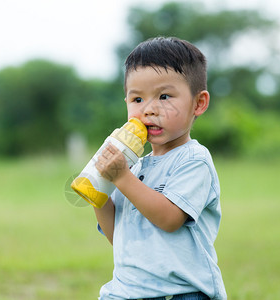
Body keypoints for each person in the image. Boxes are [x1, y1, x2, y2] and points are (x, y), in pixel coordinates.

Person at [93, 37, 227, 300]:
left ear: (198, 103)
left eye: (164, 96)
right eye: (137, 99)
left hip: (182, 292)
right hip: (128, 291)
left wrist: (121, 177)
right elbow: (116, 235)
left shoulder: (193, 160)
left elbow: (169, 219)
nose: (149, 110)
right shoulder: (134, 166)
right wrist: (99, 195)